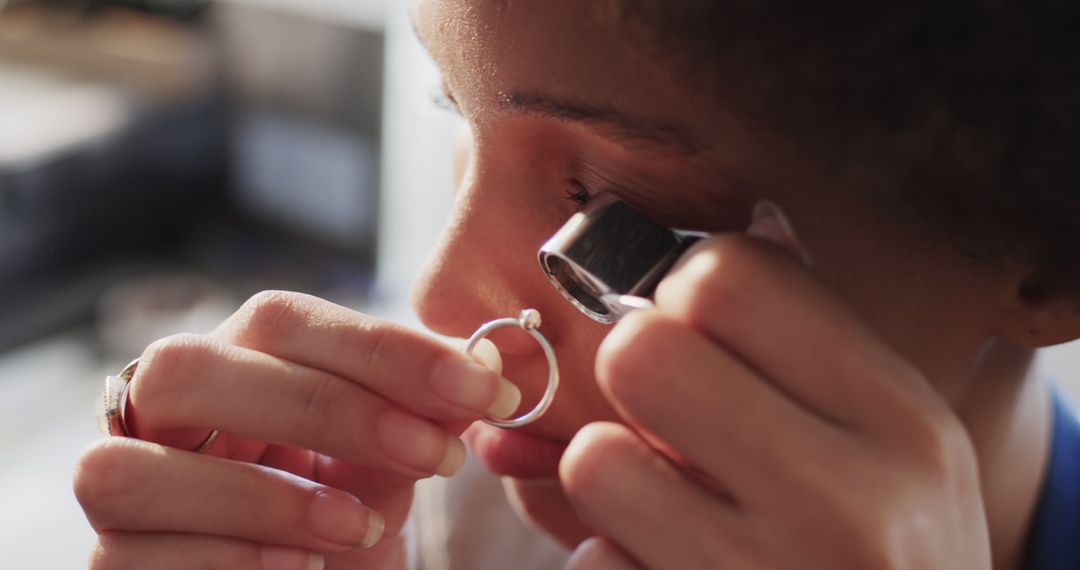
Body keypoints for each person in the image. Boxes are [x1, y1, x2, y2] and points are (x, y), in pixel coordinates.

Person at [74, 0, 1080, 568]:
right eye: (452, 109)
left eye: (616, 215)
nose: (439, 301)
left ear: (1046, 267)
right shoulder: (426, 521)